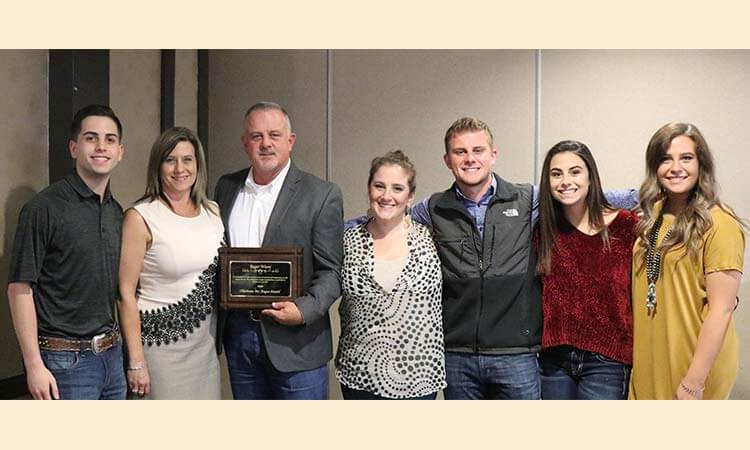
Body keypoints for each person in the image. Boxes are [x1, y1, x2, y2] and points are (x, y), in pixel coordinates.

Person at [404, 117, 637, 400]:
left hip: (516, 355)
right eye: (460, 152)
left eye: (478, 150)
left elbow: (579, 191)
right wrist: (339, 228)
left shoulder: (526, 199)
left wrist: (654, 200)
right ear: (447, 159)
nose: (469, 159)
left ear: (493, 155)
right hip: (458, 356)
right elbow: (389, 215)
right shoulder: (433, 208)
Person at [214, 101, 343, 399]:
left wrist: (303, 310)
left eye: (274, 134)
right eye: (256, 136)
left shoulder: (322, 194)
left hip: (298, 343)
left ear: (290, 140)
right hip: (240, 338)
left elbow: (332, 271)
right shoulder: (226, 187)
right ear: (245, 142)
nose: (266, 144)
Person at [7, 104, 126, 400]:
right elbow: (20, 288)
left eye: (110, 140)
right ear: (74, 148)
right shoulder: (43, 208)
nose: (101, 147)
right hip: (64, 363)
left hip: (112, 358)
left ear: (120, 152)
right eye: (91, 138)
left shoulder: (117, 212)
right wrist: (33, 364)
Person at [630, 122, 745, 400]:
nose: (675, 167)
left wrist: (694, 382)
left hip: (695, 364)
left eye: (686, 158)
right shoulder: (652, 214)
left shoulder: (720, 222)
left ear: (701, 164)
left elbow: (722, 310)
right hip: (651, 357)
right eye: (665, 159)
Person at [118, 127, 223, 399]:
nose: (180, 168)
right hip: (159, 349)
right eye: (170, 160)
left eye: (187, 159)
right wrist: (136, 362)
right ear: (158, 165)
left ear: (198, 164)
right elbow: (125, 294)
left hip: (204, 346)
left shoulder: (213, 212)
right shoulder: (140, 216)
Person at [336, 150, 445, 400]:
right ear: (369, 190)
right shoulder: (346, 240)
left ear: (410, 197)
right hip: (359, 376)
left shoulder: (432, 239)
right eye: (379, 186)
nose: (387, 196)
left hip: (418, 377)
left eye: (397, 188)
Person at [535, 140, 637, 400]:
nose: (565, 181)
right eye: (556, 174)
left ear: (591, 176)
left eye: (575, 171)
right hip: (554, 360)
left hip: (608, 361)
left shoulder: (626, 227)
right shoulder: (543, 231)